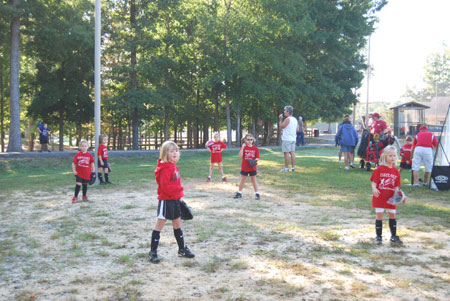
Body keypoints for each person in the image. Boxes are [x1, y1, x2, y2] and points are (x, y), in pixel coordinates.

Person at [148, 141, 195, 264]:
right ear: (165, 153)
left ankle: (181, 249)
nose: (174, 153)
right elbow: (165, 187)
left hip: (175, 200)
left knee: (177, 224)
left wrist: (179, 197)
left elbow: (176, 184)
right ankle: (152, 251)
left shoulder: (173, 166)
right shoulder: (164, 168)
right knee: (160, 225)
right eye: (171, 151)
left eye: (176, 151)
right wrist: (183, 188)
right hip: (166, 200)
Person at [370, 145, 403, 245]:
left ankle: (393, 236)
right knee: (379, 215)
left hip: (390, 197)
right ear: (385, 156)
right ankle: (378, 236)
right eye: (390, 156)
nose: (393, 158)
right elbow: (374, 181)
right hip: (380, 196)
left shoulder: (396, 171)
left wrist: (396, 194)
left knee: (392, 215)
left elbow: (396, 185)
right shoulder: (379, 169)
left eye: (394, 156)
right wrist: (374, 189)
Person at [233, 133, 260, 200]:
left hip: (252, 167)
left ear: (253, 140)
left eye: (251, 139)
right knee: (243, 179)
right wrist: (242, 147)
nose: (249, 141)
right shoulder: (244, 148)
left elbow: (257, 157)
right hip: (245, 167)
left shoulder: (255, 148)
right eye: (248, 139)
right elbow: (240, 156)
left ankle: (257, 193)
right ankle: (239, 193)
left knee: (254, 180)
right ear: (245, 140)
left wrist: (254, 161)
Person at [279, 106, 298, 172]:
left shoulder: (287, 119)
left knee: (286, 153)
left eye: (285, 110)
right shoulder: (295, 119)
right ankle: (293, 168)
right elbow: (297, 129)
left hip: (287, 139)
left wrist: (280, 119)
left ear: (288, 112)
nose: (284, 112)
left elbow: (281, 127)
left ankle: (286, 168)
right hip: (293, 138)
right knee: (292, 152)